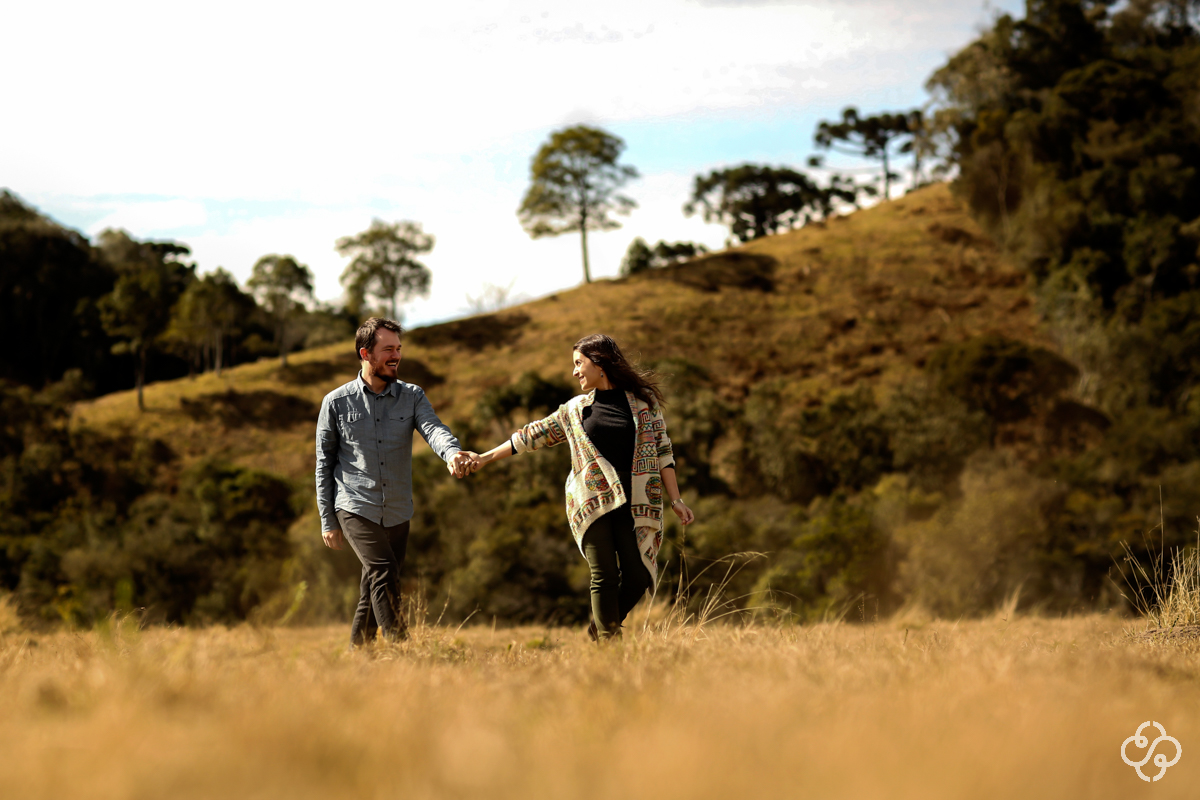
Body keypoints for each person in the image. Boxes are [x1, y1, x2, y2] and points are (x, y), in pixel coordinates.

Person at [466, 333, 695, 640]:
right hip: (591, 502)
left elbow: (664, 452)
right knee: (604, 575)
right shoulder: (575, 410)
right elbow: (531, 436)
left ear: (599, 364)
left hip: (637, 501)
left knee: (639, 575)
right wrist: (483, 458)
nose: (574, 372)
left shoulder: (643, 405)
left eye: (578, 363)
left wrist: (676, 499)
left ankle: (598, 628)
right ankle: (608, 644)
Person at [316, 317, 475, 646]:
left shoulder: (412, 396)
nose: (396, 355)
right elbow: (324, 463)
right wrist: (327, 519)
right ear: (366, 353)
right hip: (354, 505)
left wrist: (452, 454)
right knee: (384, 572)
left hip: (398, 508)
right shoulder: (335, 402)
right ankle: (402, 650)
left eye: (398, 349)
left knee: (373, 584)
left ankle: (359, 655)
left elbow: (434, 429)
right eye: (387, 349)